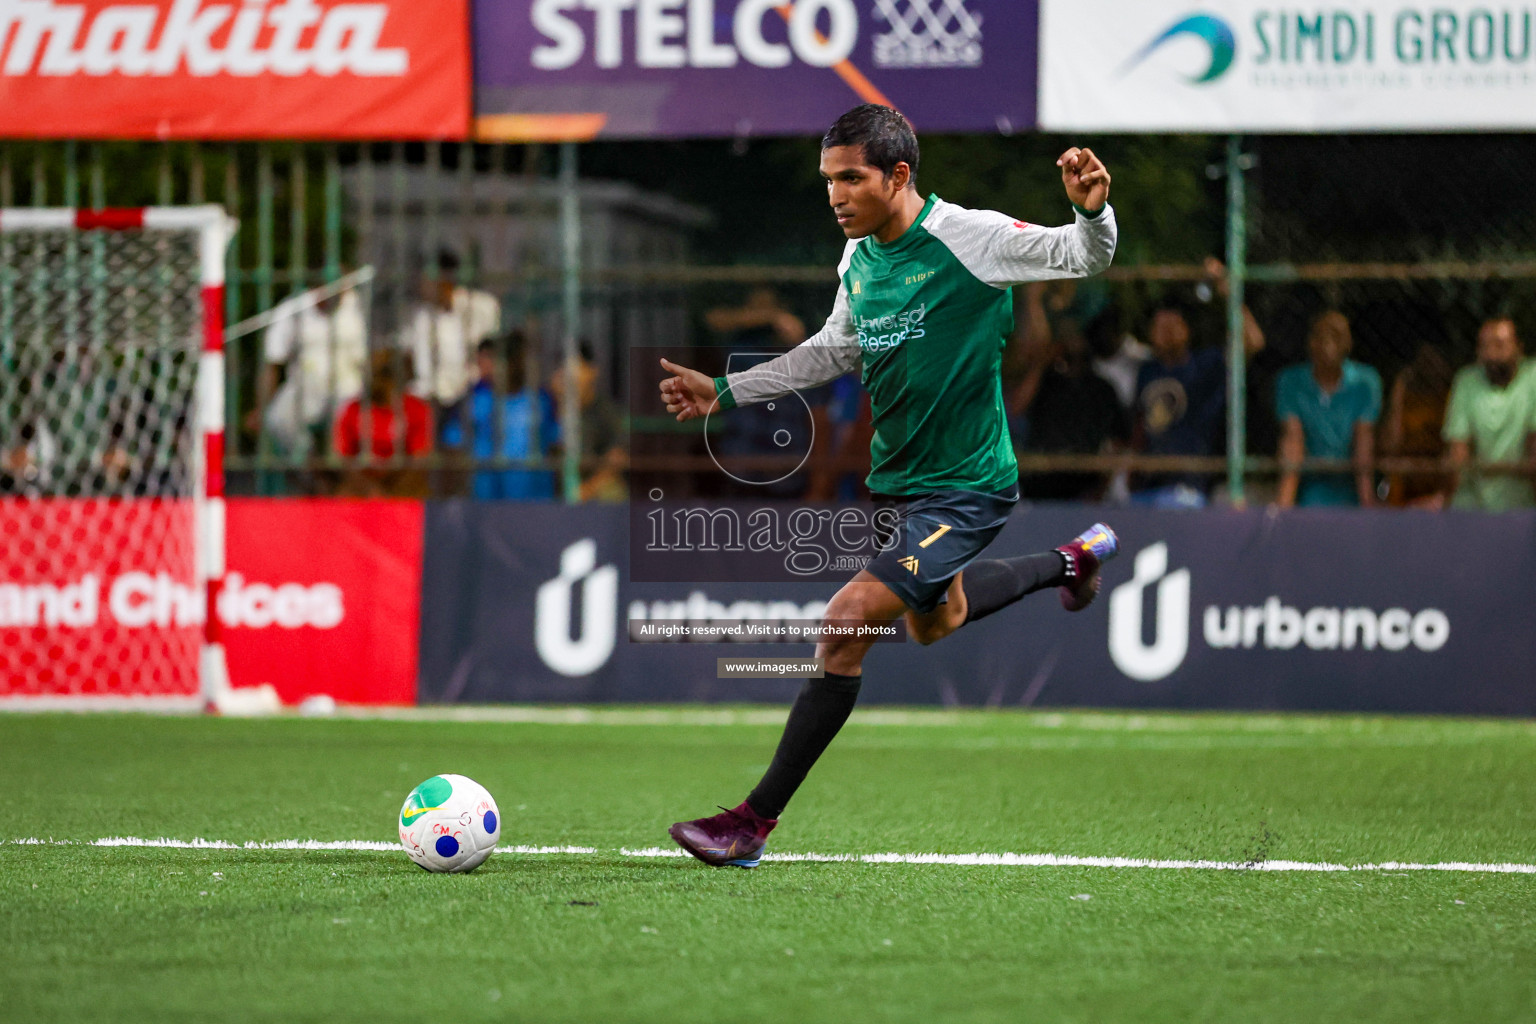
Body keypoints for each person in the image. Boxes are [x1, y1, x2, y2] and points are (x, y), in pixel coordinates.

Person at [656, 104, 1120, 868]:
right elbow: (832, 350)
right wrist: (728, 391)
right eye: (828, 180)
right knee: (935, 622)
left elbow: (1082, 256)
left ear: (898, 175)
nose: (836, 195)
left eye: (851, 178)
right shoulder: (858, 258)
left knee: (845, 627)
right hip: (898, 487)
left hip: (969, 486)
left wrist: (1091, 211)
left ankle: (750, 824)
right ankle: (1071, 561)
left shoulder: (969, 239)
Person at [1130, 283, 1264, 507]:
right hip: (1146, 488)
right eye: (1160, 325)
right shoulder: (1147, 371)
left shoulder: (1205, 366)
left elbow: (1253, 342)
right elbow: (1140, 425)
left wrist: (1228, 290)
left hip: (1186, 487)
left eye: (1173, 324)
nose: (1166, 332)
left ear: (1187, 330)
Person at [1010, 313, 1128, 501]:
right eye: (1066, 337)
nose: (1073, 343)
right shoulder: (1045, 381)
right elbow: (1016, 408)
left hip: (1084, 482)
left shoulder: (1102, 388)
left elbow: (1117, 441)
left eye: (1077, 336)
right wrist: (1041, 364)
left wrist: (1102, 487)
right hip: (1040, 480)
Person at [1274, 310, 1382, 508]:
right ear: (1309, 342)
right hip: (1309, 491)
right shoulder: (1290, 381)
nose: (1327, 341)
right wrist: (1282, 508)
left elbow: (1363, 440)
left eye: (1336, 335)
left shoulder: (1366, 381)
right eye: (1320, 334)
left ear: (1348, 343)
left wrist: (1367, 506)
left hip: (1350, 491)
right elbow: (1293, 439)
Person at [253, 286, 367, 457]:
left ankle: (344, 472)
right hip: (305, 386)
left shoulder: (358, 307)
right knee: (278, 418)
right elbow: (273, 362)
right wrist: (260, 408)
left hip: (350, 386)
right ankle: (311, 467)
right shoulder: (293, 308)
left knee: (354, 421)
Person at [441, 335, 558, 500]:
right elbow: (453, 449)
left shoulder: (541, 400)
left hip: (537, 503)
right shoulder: (476, 402)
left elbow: (556, 445)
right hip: (486, 503)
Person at [1440, 317, 1536, 512]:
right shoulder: (1466, 380)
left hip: (1522, 504)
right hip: (1471, 504)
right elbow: (1458, 450)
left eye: (1499, 345)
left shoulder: (1533, 376)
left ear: (1519, 347)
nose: (1491, 354)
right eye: (1484, 346)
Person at [402, 250, 502, 420]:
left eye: (426, 279)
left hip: (467, 399)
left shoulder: (479, 308)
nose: (421, 285)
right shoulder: (418, 315)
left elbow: (488, 356)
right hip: (425, 401)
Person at [333, 350, 433, 498]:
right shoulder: (352, 410)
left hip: (403, 485)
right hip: (361, 487)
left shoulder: (417, 409)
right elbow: (343, 459)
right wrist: (369, 489)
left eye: (385, 375)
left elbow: (419, 460)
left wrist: (391, 493)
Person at [549, 342, 628, 503]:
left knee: (612, 491)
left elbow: (618, 458)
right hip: (558, 490)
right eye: (564, 368)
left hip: (594, 489)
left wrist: (587, 489)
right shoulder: (552, 406)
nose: (569, 375)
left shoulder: (605, 411)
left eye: (576, 366)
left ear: (591, 371)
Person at [1381, 341, 1453, 506]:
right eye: (1424, 361)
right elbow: (1391, 445)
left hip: (1437, 473)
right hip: (1407, 472)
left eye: (1434, 360)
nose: (1429, 368)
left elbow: (1453, 448)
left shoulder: (1450, 398)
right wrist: (1398, 393)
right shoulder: (1406, 397)